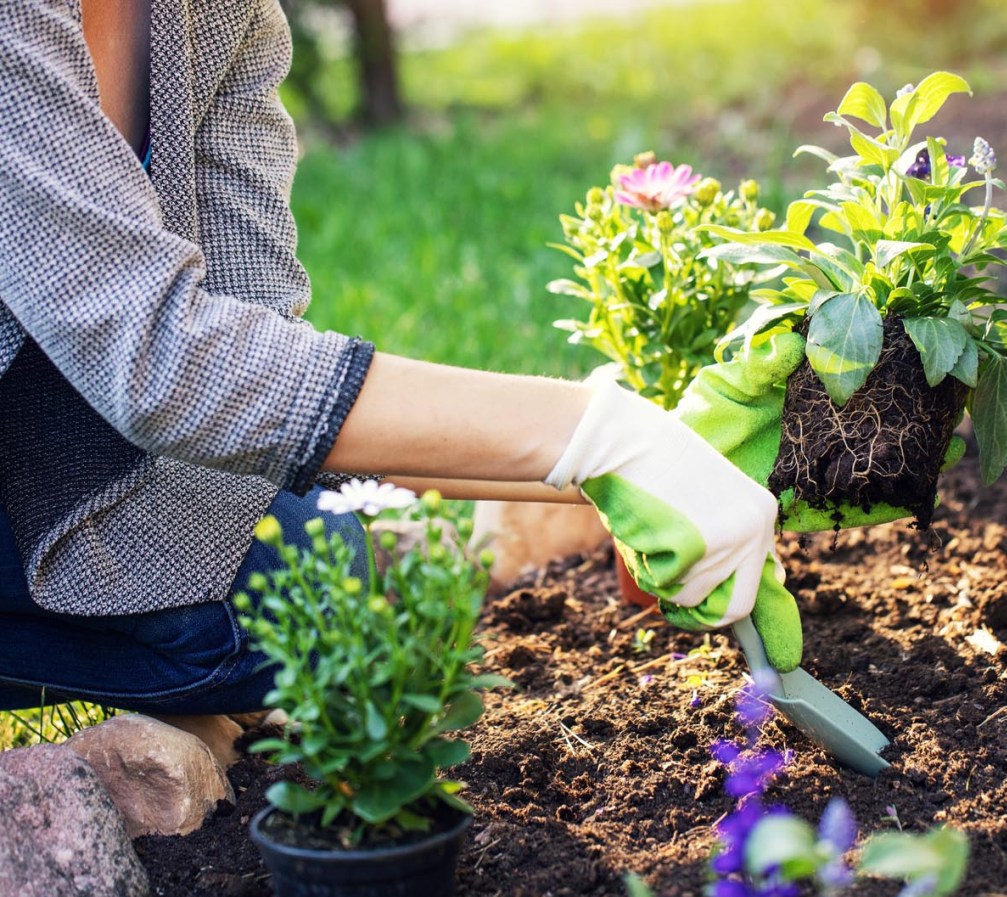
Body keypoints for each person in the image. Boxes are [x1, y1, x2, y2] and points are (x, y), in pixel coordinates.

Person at [0, 0, 798, 716]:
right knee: (280, 619)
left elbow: (249, 337)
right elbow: (160, 357)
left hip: (64, 443)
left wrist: (627, 467)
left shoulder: (221, 13)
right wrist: (587, 431)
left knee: (343, 589)